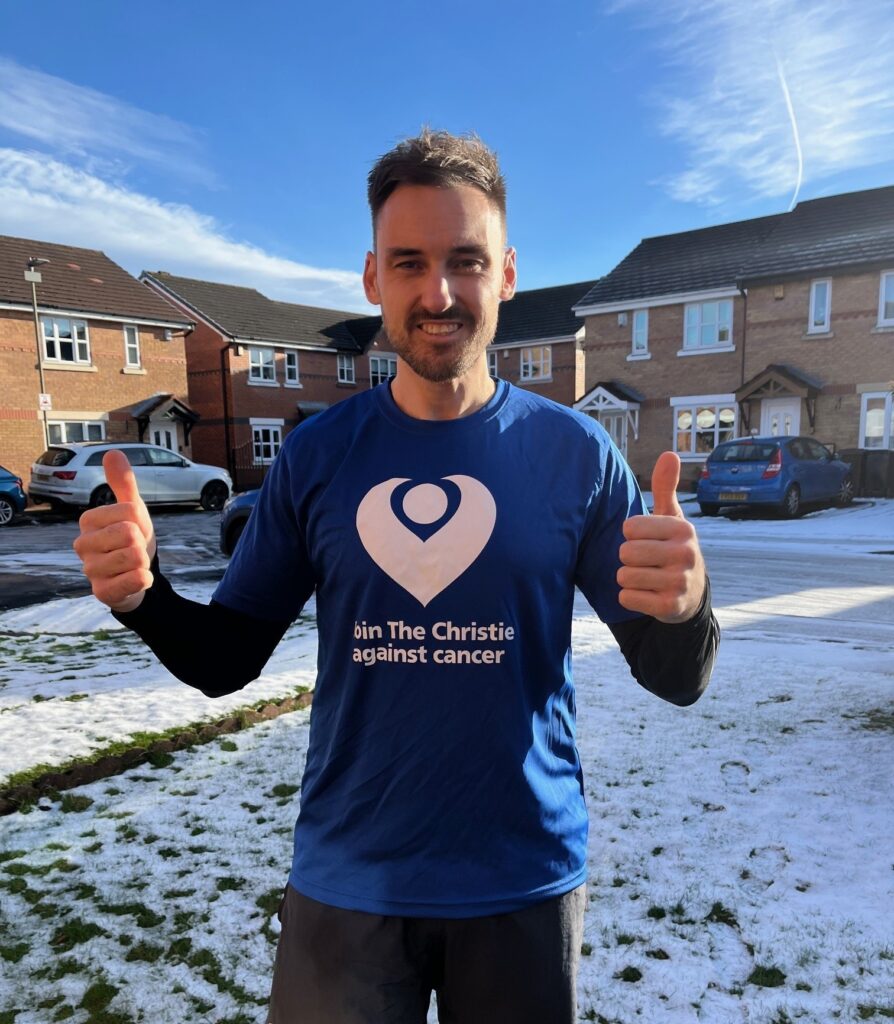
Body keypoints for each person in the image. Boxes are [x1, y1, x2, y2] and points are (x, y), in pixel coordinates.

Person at [73, 129, 719, 1024]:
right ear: (373, 278)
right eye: (409, 263)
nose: (439, 293)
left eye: (466, 260)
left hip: (521, 880)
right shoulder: (318, 455)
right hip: (349, 883)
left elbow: (674, 676)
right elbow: (226, 659)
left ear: (507, 274)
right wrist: (143, 598)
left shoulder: (575, 454)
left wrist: (687, 608)